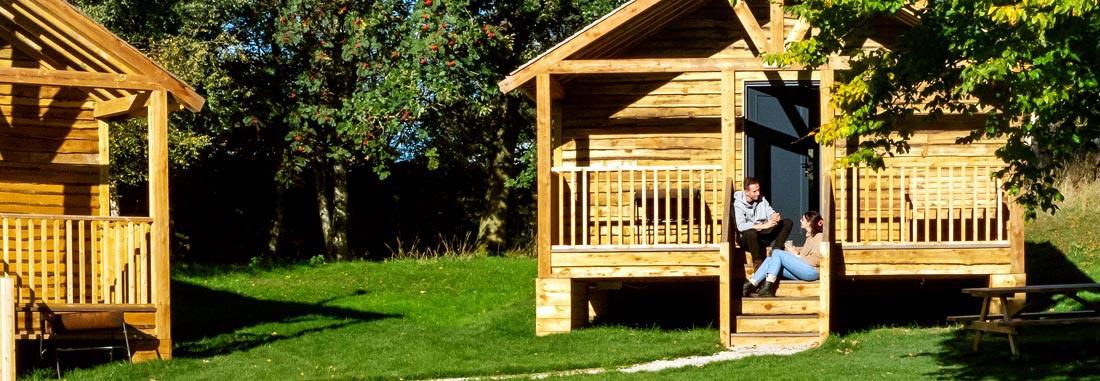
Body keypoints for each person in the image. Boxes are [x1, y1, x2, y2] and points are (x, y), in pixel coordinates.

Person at [742, 211, 824, 297]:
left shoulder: (819, 236)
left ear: (809, 222)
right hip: (806, 270)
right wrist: (795, 253)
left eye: (803, 219)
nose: (800, 220)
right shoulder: (810, 237)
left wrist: (797, 256)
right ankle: (749, 285)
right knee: (770, 260)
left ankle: (767, 287)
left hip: (812, 272)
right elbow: (803, 257)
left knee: (777, 252)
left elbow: (816, 260)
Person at [733, 177, 793, 269]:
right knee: (750, 232)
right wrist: (763, 226)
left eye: (758, 190)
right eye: (755, 191)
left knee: (787, 222)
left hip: (763, 235)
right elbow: (741, 226)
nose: (758, 193)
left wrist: (774, 216)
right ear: (746, 192)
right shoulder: (738, 204)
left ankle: (776, 252)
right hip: (748, 239)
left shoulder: (762, 199)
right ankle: (757, 264)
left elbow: (769, 211)